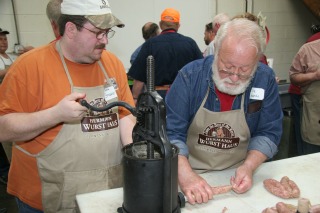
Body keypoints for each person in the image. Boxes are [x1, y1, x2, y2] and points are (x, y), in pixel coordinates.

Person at [0, 0, 135, 212]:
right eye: (98, 33)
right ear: (71, 29)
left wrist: (134, 154)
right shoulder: (29, 67)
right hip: (47, 196)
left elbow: (125, 115)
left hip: (106, 191)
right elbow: (3, 128)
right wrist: (55, 114)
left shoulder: (112, 64)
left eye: (108, 32)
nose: (105, 40)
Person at [166, 18, 283, 205]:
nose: (234, 78)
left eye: (245, 70)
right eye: (227, 68)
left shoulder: (264, 78)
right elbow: (171, 133)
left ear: (257, 61)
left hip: (238, 172)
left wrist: (249, 167)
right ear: (216, 51)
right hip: (189, 170)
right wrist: (186, 174)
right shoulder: (189, 77)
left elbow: (269, 132)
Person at [128, 8, 203, 102]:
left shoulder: (150, 44)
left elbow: (139, 78)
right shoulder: (190, 43)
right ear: (178, 25)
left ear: (160, 24)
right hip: (184, 96)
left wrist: (135, 98)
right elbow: (202, 71)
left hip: (157, 97)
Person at [288, 23, 320, 156]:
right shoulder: (308, 49)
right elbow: (293, 77)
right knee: (311, 159)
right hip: (314, 117)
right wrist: (315, 75)